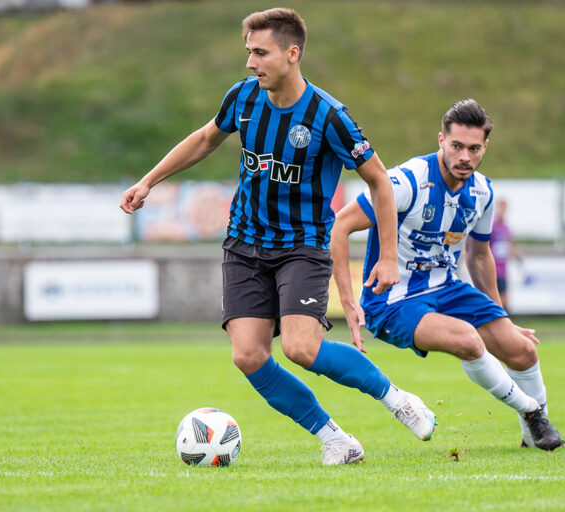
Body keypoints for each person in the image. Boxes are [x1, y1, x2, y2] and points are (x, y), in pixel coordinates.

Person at [120, 8, 436, 465]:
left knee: (300, 348)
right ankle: (336, 439)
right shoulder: (243, 97)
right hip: (244, 243)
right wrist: (149, 181)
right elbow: (206, 138)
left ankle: (397, 400)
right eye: (248, 52)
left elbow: (380, 182)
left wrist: (388, 256)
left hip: (302, 247)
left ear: (292, 53)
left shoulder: (328, 116)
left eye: (261, 53)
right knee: (248, 355)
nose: (251, 62)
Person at [331, 99, 565, 451]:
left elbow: (479, 255)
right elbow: (339, 226)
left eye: (474, 149)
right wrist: (348, 302)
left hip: (446, 289)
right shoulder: (407, 181)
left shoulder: (482, 192)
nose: (464, 157)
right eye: (456, 146)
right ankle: (533, 412)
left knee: (521, 351)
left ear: (485, 147)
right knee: (468, 340)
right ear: (441, 140)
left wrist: (501, 317)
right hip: (393, 301)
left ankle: (534, 440)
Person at [489, 199, 519, 311]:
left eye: (504, 208)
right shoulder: (492, 226)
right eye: (500, 208)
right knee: (494, 297)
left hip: (503, 268)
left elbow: (510, 243)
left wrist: (515, 254)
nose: (502, 211)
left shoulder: (506, 227)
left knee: (505, 299)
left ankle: (503, 318)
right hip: (492, 267)